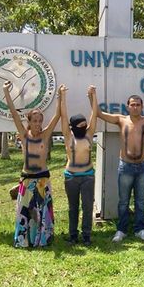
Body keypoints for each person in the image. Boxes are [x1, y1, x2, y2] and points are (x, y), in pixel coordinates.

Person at [92, 88, 144, 242]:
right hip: (125, 167)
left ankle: (140, 229)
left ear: (142, 106)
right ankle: (121, 230)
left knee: (140, 201)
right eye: (132, 104)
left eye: (138, 104)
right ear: (128, 106)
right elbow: (98, 113)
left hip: (142, 167)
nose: (135, 107)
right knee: (123, 201)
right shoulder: (120, 120)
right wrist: (93, 96)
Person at [3, 81, 62, 247]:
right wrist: (6, 92)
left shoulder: (44, 135)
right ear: (30, 121)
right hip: (27, 178)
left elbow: (57, 116)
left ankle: (43, 239)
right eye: (34, 120)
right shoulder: (24, 135)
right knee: (26, 211)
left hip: (43, 179)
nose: (38, 123)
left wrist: (60, 97)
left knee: (43, 212)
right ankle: (24, 240)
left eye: (40, 121)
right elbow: (14, 114)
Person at [60, 85, 97, 246]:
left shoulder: (89, 135)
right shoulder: (68, 136)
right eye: (80, 125)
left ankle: (87, 235)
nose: (84, 127)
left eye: (85, 124)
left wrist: (93, 95)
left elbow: (94, 114)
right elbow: (63, 116)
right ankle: (73, 235)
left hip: (88, 176)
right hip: (71, 177)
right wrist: (62, 97)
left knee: (88, 207)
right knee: (73, 208)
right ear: (73, 126)